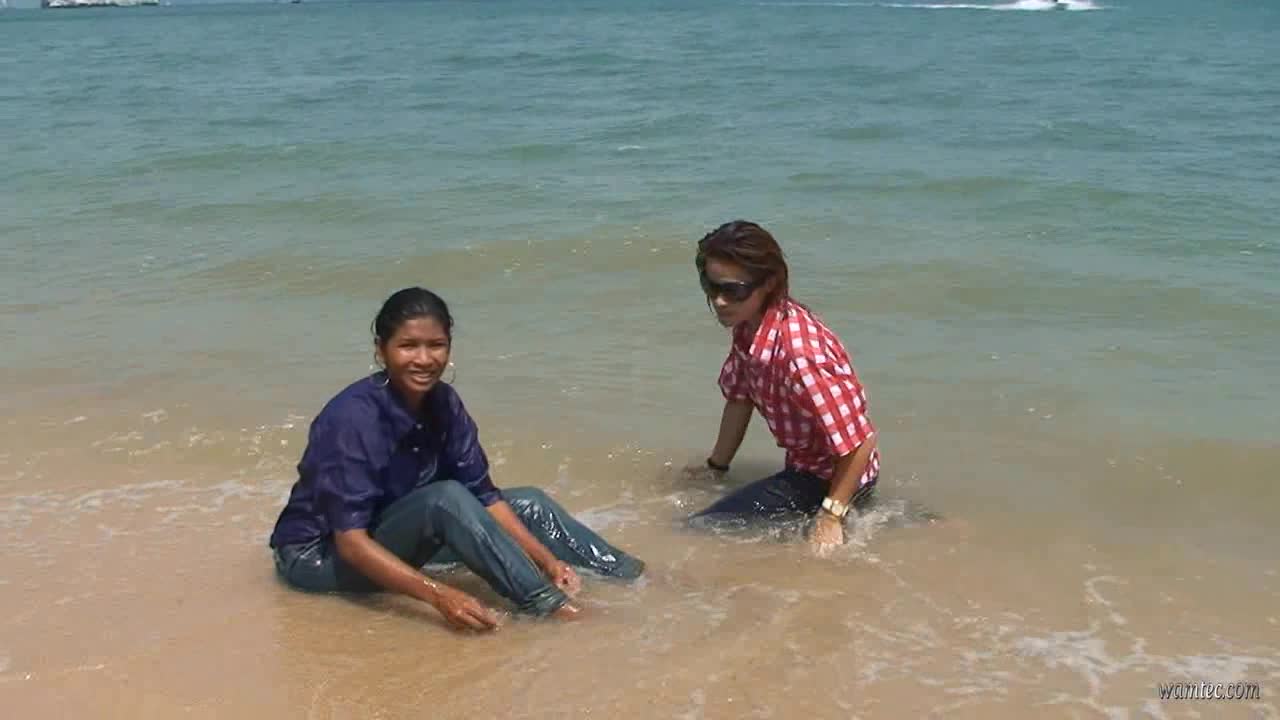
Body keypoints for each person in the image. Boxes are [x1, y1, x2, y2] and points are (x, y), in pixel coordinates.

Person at [268, 287, 643, 631]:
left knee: (529, 503)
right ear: (381, 350)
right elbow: (351, 543)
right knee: (443, 499)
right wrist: (439, 595)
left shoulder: (444, 403)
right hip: (321, 558)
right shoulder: (353, 418)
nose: (424, 359)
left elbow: (485, 498)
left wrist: (548, 562)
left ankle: (632, 575)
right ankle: (552, 608)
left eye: (436, 345)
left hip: (387, 528)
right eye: (408, 346)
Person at [688, 220, 881, 555]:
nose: (719, 301)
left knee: (700, 528)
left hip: (834, 478)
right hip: (804, 467)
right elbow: (740, 399)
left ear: (769, 283)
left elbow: (860, 441)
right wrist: (715, 468)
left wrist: (831, 515)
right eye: (710, 285)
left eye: (733, 290)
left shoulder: (799, 355)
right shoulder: (749, 325)